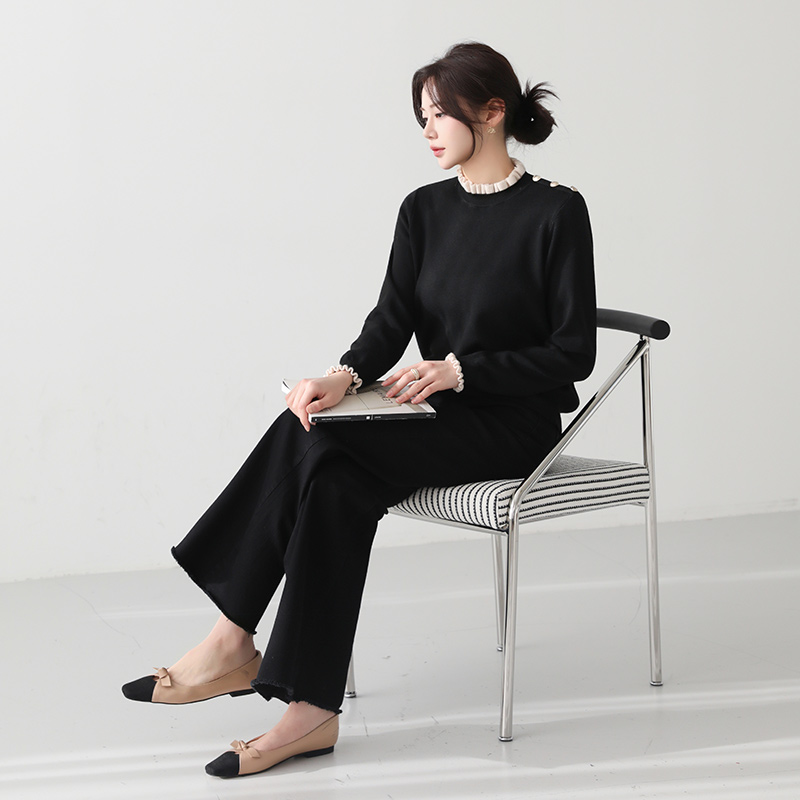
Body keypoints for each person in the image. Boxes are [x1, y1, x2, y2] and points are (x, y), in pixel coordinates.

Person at [122, 40, 596, 779]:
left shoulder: (556, 211)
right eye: (421, 117)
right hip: (432, 415)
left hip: (513, 424)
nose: (427, 130)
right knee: (325, 457)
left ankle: (231, 640)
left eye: (439, 114)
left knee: (325, 453)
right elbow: (390, 320)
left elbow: (573, 353)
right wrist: (341, 377)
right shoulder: (424, 209)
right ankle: (310, 710)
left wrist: (460, 370)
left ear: (492, 111)